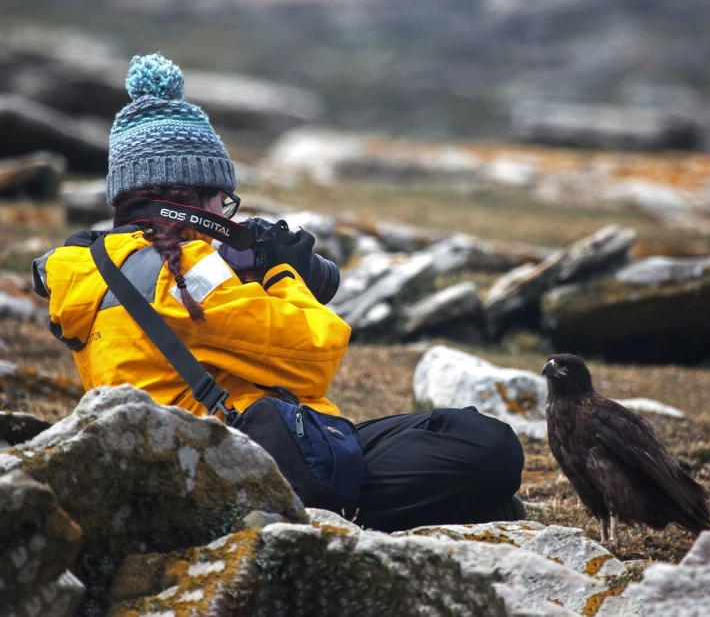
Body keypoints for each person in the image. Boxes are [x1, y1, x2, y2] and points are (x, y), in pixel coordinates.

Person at [32, 54, 525, 532]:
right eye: (222, 200)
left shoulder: (99, 265)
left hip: (227, 455)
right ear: (192, 197)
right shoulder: (179, 270)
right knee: (487, 444)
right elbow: (313, 358)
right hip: (255, 469)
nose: (227, 216)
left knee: (460, 446)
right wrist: (281, 273)